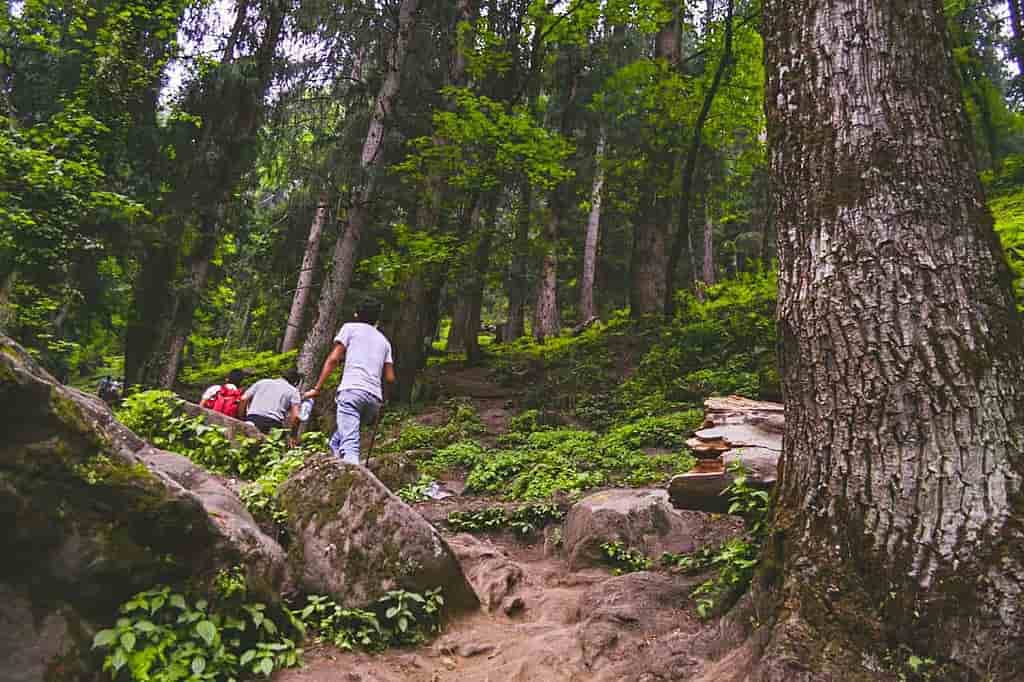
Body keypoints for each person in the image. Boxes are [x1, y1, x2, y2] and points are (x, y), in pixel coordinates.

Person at [304, 302, 395, 464]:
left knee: (350, 444)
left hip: (351, 392)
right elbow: (389, 378)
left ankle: (353, 474)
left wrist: (317, 388)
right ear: (376, 319)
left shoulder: (350, 328)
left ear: (356, 314)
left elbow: (334, 359)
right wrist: (384, 401)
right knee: (337, 440)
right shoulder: (384, 342)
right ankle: (335, 468)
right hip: (373, 399)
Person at [239, 368, 302, 434]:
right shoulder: (293, 391)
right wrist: (293, 435)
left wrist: (242, 418)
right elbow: (295, 416)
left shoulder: (262, 382)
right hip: (273, 424)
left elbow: (243, 399)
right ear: (295, 382)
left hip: (252, 419)